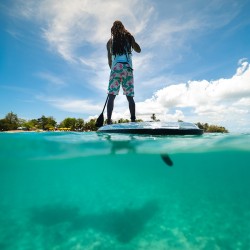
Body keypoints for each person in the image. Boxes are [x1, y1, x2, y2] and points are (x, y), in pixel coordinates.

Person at [106, 20, 141, 124]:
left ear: (113, 29)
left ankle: (108, 120)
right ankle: (133, 120)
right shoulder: (129, 37)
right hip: (128, 68)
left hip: (115, 68)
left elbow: (109, 60)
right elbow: (138, 50)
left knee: (111, 96)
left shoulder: (110, 41)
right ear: (123, 27)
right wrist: (132, 40)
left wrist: (113, 72)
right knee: (130, 97)